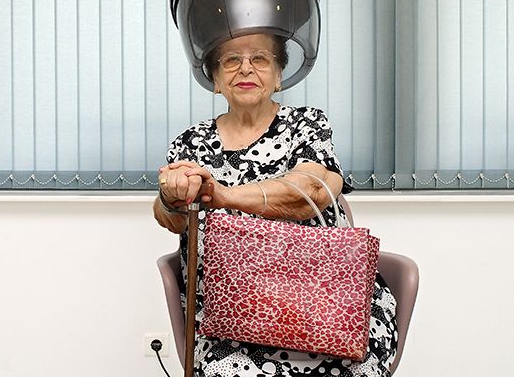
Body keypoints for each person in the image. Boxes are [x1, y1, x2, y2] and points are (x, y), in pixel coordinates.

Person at [152, 32, 398, 377]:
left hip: (325, 305)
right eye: (231, 60)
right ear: (216, 81)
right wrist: (171, 195)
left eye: (260, 59)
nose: (245, 69)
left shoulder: (306, 125)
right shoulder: (191, 142)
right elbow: (171, 218)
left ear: (279, 76)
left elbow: (312, 191)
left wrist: (224, 195)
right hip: (230, 315)